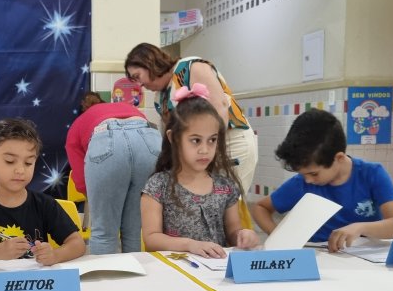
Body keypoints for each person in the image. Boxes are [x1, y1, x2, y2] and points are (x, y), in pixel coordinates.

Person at [252, 109, 393, 252]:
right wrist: (279, 237)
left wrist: (360, 228)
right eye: (303, 174)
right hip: (321, 258)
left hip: (365, 257)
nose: (308, 180)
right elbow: (260, 208)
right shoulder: (301, 183)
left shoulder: (372, 174)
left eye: (314, 173)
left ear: (339, 158)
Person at [141, 84, 260, 258]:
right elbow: (151, 238)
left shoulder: (225, 187)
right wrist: (190, 245)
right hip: (174, 269)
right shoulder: (158, 185)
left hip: (215, 270)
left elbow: (233, 232)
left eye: (212, 140)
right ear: (173, 138)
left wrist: (243, 236)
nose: (205, 150)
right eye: (196, 140)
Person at [124, 42, 258, 195]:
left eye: (137, 77)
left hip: (231, 143)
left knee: (227, 202)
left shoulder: (191, 67)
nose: (139, 85)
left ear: (149, 63)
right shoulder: (160, 99)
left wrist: (209, 153)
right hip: (203, 152)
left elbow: (220, 109)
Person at [0, 118, 86, 265]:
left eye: (28, 163)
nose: (20, 170)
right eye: (10, 161)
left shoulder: (45, 204)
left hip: (34, 278)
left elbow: (77, 244)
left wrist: (55, 255)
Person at [66, 92, 161, 254]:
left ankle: (105, 271)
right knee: (133, 231)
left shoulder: (80, 122)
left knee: (104, 233)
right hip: (148, 138)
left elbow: (81, 177)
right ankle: (133, 271)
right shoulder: (127, 107)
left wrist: (94, 196)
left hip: (106, 137)